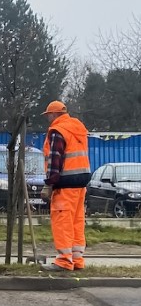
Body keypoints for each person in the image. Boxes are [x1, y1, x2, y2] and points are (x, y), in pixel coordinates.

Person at [40, 100, 91, 271]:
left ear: (54, 114)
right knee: (77, 221)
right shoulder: (78, 129)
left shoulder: (58, 131)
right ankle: (77, 260)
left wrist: (49, 184)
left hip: (65, 184)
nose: (48, 119)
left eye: (48, 116)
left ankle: (64, 261)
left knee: (63, 221)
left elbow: (55, 159)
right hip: (81, 183)